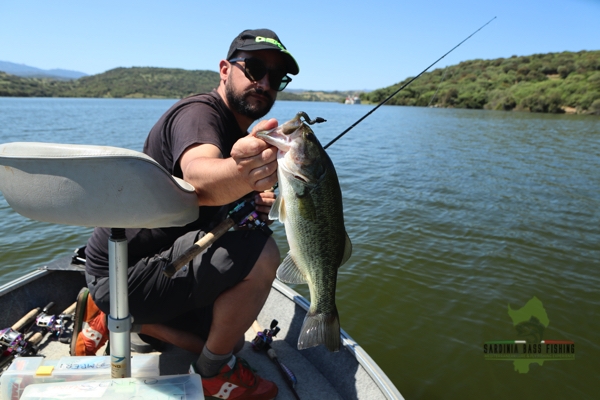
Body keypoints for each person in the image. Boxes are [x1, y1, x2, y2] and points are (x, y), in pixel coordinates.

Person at [73, 28, 299, 400]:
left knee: (226, 333)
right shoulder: (198, 115)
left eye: (276, 77)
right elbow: (198, 177)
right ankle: (212, 374)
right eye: (255, 68)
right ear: (225, 69)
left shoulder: (230, 124)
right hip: (126, 271)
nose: (264, 82)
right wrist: (240, 175)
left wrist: (247, 193)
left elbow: (211, 197)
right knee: (261, 253)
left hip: (140, 266)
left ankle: (114, 315)